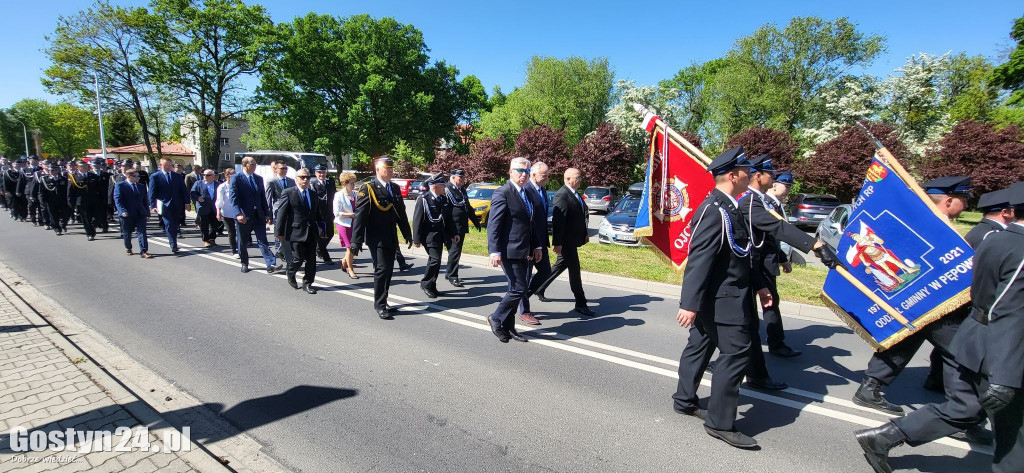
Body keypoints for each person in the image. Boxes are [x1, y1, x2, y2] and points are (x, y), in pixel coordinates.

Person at [856, 181, 1024, 473]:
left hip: (976, 337)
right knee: (1014, 434)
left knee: (965, 408)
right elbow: (1009, 312)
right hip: (1000, 347)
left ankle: (884, 437)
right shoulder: (1013, 246)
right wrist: (1006, 375)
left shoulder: (996, 239)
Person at [671, 146, 774, 449]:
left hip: (723, 296)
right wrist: (689, 304)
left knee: (701, 344)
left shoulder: (730, 207)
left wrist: (759, 285)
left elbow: (741, 255)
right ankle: (719, 422)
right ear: (733, 175)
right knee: (738, 353)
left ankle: (684, 399)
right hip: (722, 299)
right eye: (746, 171)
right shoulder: (714, 209)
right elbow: (699, 258)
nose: (751, 175)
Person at [853, 176, 975, 416]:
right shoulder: (932, 225)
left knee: (906, 339)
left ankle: (870, 388)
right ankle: (961, 413)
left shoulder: (933, 222)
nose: (968, 205)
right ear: (949, 200)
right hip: (930, 299)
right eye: (963, 199)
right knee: (959, 352)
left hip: (926, 299)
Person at [738, 155, 827, 393]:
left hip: (759, 265)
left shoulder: (761, 201)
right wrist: (813, 245)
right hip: (748, 267)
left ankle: (753, 370)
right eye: (772, 175)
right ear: (759, 176)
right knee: (741, 323)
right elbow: (776, 228)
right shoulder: (748, 201)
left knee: (746, 322)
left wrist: (782, 257)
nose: (775, 179)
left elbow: (772, 234)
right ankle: (729, 363)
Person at [486, 157, 544, 343]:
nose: (523, 174)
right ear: (510, 171)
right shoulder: (502, 192)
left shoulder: (526, 193)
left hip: (525, 250)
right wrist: (494, 251)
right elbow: (494, 224)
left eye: (527, 171)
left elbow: (531, 223)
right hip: (508, 250)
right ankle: (496, 317)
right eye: (519, 170)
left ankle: (509, 326)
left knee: (516, 288)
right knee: (519, 288)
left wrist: (537, 245)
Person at [350, 157, 412, 319]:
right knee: (382, 269)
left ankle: (384, 300)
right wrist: (356, 240)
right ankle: (379, 305)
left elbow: (401, 213)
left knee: (389, 270)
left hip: (391, 235)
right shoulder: (368, 188)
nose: (390, 171)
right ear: (378, 169)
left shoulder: (395, 188)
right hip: (375, 237)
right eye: (387, 168)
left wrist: (407, 233)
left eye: (391, 168)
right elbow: (360, 216)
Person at [534, 167, 595, 317]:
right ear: (568, 179)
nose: (580, 180)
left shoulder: (575, 194)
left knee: (559, 266)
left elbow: (582, 216)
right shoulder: (562, 195)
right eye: (578, 177)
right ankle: (581, 303)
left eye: (580, 177)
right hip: (566, 241)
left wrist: (585, 234)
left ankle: (539, 288)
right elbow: (558, 221)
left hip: (574, 239)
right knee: (575, 271)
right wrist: (557, 243)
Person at [274, 167, 325, 294]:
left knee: (311, 260)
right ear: (296, 179)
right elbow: (281, 213)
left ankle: (307, 283)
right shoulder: (289, 192)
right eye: (302, 177)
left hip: (311, 232)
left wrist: (322, 228)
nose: (305, 180)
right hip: (296, 232)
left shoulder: (313, 194)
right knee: (297, 258)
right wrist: (278, 233)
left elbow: (317, 213)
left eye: (307, 177)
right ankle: (290, 273)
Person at [229, 157, 282, 274]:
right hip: (243, 216)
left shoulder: (258, 179)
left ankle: (270, 264)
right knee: (242, 241)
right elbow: (233, 198)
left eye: (255, 164)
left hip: (258, 215)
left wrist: (267, 213)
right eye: (252, 164)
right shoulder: (236, 178)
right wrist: (238, 213)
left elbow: (263, 197)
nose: (254, 166)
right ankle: (244, 262)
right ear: (244, 164)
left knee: (263, 240)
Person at [412, 174, 457, 298]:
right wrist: (416, 238)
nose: (444, 187)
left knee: (436, 262)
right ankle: (426, 283)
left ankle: (432, 285)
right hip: (428, 236)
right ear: (434, 186)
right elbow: (417, 219)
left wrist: (454, 233)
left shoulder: (443, 199)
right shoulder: (424, 199)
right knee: (435, 260)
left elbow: (448, 219)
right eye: (442, 185)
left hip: (440, 235)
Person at [517, 162, 551, 325]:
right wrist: (531, 245)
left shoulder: (542, 190)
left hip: (541, 242)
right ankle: (524, 310)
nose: (547, 178)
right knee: (525, 276)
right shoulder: (527, 191)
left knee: (545, 271)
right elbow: (528, 221)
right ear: (533, 175)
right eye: (544, 176)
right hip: (529, 243)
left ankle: (520, 296)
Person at [442, 169, 482, 287]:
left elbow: (467, 207)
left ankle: (449, 273)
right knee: (454, 251)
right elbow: (446, 210)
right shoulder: (447, 189)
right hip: (452, 226)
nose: (463, 181)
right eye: (461, 178)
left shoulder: (462, 190)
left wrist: (475, 221)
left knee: (456, 251)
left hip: (461, 226)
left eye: (464, 178)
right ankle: (453, 276)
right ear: (453, 177)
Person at [149, 157, 190, 253]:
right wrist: (152, 205)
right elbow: (152, 192)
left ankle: (174, 241)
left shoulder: (177, 176)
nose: (168, 167)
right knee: (169, 224)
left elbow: (183, 190)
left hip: (177, 204)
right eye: (165, 165)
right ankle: (173, 245)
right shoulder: (155, 176)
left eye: (169, 165)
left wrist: (187, 203)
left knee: (175, 224)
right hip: (164, 204)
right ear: (161, 165)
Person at [113, 167, 152, 258]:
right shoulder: (120, 185)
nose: (138, 178)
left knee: (142, 232)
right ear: (129, 176)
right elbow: (118, 200)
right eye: (136, 176)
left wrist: (147, 213)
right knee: (127, 232)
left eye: (138, 176)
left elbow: (145, 201)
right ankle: (128, 247)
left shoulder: (141, 186)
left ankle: (143, 251)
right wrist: (122, 210)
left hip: (140, 213)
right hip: (127, 213)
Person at [333, 172, 359, 278]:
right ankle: (351, 269)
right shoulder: (339, 195)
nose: (353, 185)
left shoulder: (355, 194)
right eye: (351, 183)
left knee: (355, 246)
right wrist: (351, 215)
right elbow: (337, 213)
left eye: (354, 183)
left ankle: (344, 261)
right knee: (350, 247)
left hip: (354, 223)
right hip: (344, 224)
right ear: (344, 184)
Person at [310, 165, 337, 264]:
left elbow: (334, 196)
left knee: (330, 234)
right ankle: (326, 257)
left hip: (329, 213)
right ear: (316, 173)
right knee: (322, 235)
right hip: (319, 214)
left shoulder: (330, 183)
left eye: (323, 172)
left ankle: (319, 249)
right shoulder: (313, 184)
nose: (321, 174)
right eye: (319, 172)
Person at [265, 160, 292, 258]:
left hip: (290, 210)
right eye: (282, 168)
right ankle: (278, 250)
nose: (284, 170)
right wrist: (268, 214)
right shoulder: (272, 182)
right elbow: (268, 198)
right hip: (278, 210)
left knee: (289, 231)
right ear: (276, 169)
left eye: (286, 168)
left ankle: (282, 251)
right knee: (279, 230)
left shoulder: (291, 181)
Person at [67, 160, 100, 240]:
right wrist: (71, 202)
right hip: (81, 201)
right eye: (82, 166)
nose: (85, 167)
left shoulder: (93, 176)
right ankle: (89, 233)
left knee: (97, 218)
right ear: (78, 167)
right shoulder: (73, 177)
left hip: (94, 200)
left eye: (86, 166)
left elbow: (99, 189)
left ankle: (93, 227)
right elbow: (70, 191)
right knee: (86, 218)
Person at [190, 169, 220, 247]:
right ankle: (206, 240)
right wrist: (198, 197)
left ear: (213, 176)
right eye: (203, 175)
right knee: (204, 225)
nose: (205, 176)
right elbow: (192, 193)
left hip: (214, 208)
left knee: (214, 225)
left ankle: (212, 239)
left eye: (207, 175)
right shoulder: (198, 183)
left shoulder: (218, 184)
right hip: (203, 207)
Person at [216, 167, 241, 258]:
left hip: (238, 212)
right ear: (226, 175)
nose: (234, 176)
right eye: (232, 174)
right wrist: (218, 212)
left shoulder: (239, 185)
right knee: (231, 232)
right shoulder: (222, 187)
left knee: (240, 232)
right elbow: (219, 201)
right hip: (227, 213)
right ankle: (234, 250)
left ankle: (240, 248)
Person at [38, 162, 68, 235]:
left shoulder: (63, 179)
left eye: (54, 170)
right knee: (53, 216)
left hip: (62, 200)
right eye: (51, 170)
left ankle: (62, 223)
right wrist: (43, 201)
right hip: (51, 200)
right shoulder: (44, 179)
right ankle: (57, 229)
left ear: (58, 171)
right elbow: (41, 191)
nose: (52, 172)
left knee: (65, 214)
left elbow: (67, 190)